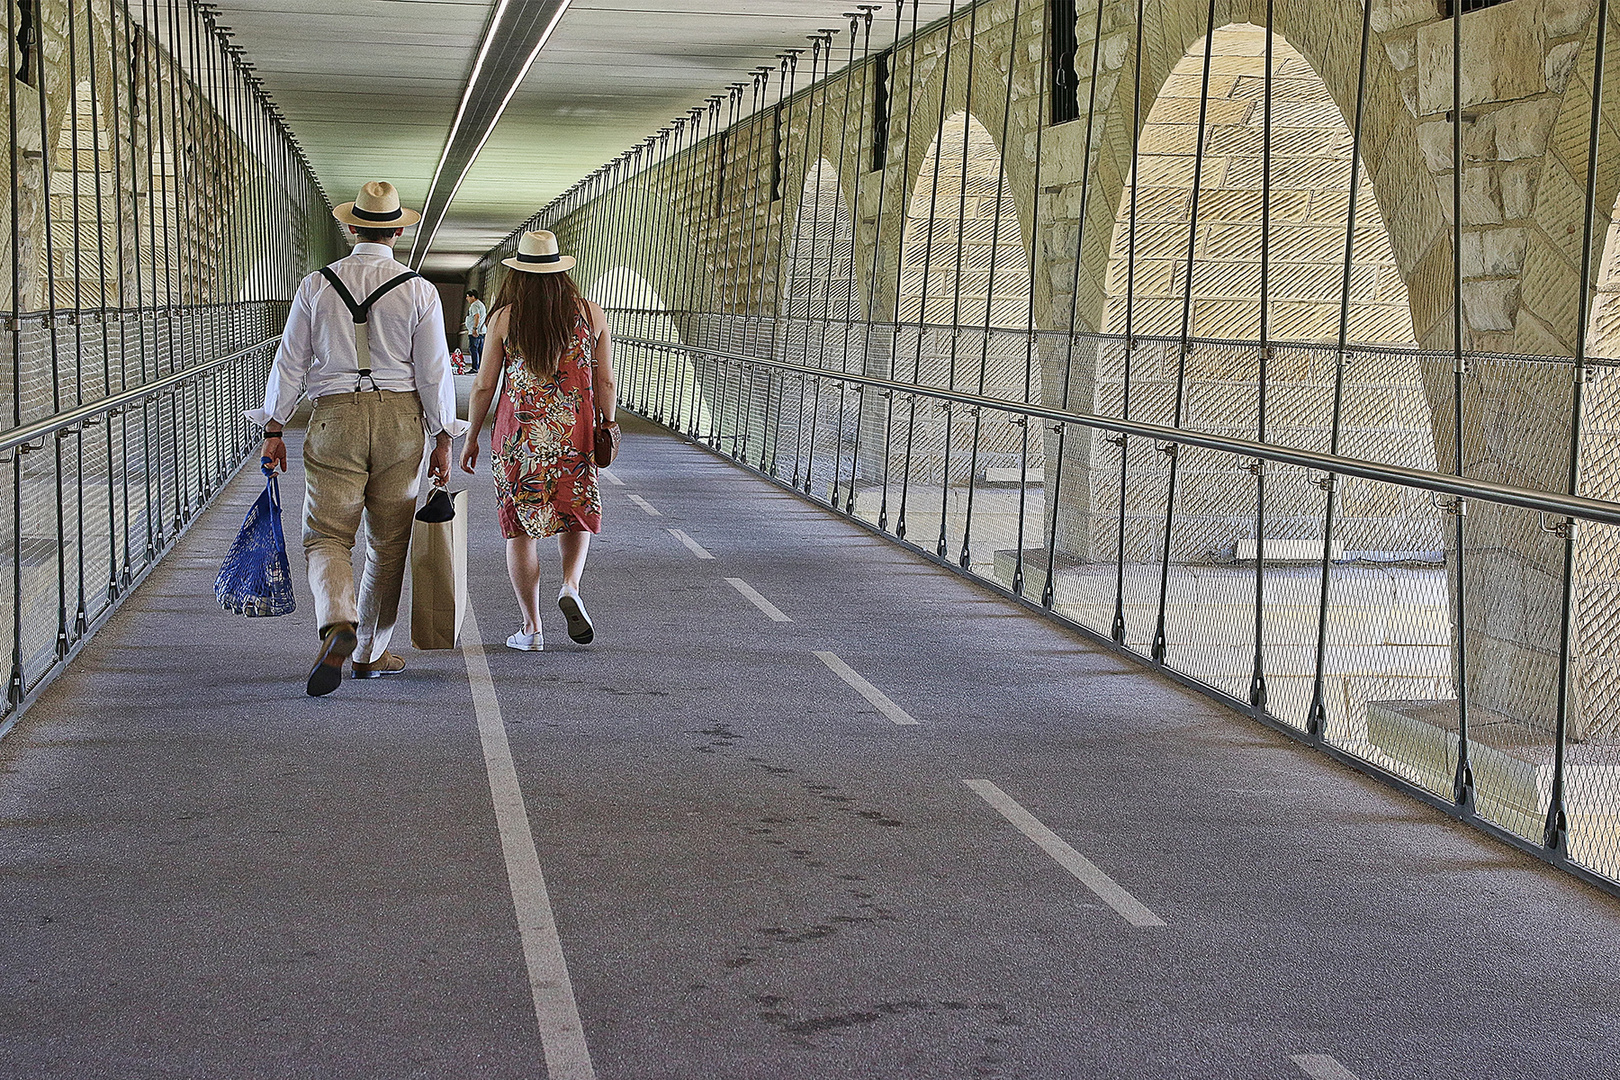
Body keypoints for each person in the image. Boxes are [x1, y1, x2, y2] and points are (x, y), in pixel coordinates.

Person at [250, 180, 468, 696]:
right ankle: (369, 653)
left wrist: (274, 427)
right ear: (396, 231)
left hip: (333, 420)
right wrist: (443, 437)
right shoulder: (418, 290)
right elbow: (434, 372)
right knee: (388, 545)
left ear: (350, 228)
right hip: (400, 421)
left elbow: (290, 361)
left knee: (326, 535)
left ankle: (337, 621)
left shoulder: (316, 285)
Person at [459, 230, 617, 652]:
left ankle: (531, 628)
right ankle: (569, 585)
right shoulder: (590, 313)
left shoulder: (504, 318)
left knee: (520, 530)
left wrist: (471, 437)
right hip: (574, 431)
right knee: (576, 509)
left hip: (519, 439)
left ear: (519, 274)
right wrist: (609, 424)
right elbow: (604, 378)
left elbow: (482, 386)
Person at [465, 289, 487, 372]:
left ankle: (475, 367)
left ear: (473, 297)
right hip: (482, 330)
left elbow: (476, 316)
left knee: (474, 349)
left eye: (468, 297)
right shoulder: (481, 304)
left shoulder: (474, 305)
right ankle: (481, 368)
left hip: (475, 331)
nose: (467, 299)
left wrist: (474, 329)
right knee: (480, 350)